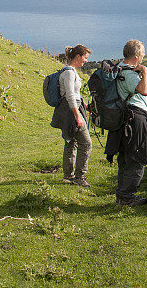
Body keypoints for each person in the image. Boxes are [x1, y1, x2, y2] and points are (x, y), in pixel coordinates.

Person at [105, 38, 147, 207]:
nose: (143, 57)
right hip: (135, 117)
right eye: (142, 54)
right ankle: (127, 196)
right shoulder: (127, 73)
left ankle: (122, 195)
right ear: (136, 55)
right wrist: (146, 72)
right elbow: (144, 91)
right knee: (138, 155)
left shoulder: (119, 70)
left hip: (124, 118)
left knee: (126, 157)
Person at [50, 44, 92, 187]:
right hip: (70, 111)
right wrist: (78, 116)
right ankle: (80, 176)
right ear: (78, 56)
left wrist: (84, 104)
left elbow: (74, 93)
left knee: (71, 141)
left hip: (71, 108)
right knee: (86, 143)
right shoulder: (69, 73)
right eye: (85, 58)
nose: (86, 61)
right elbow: (69, 95)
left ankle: (68, 176)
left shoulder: (71, 71)